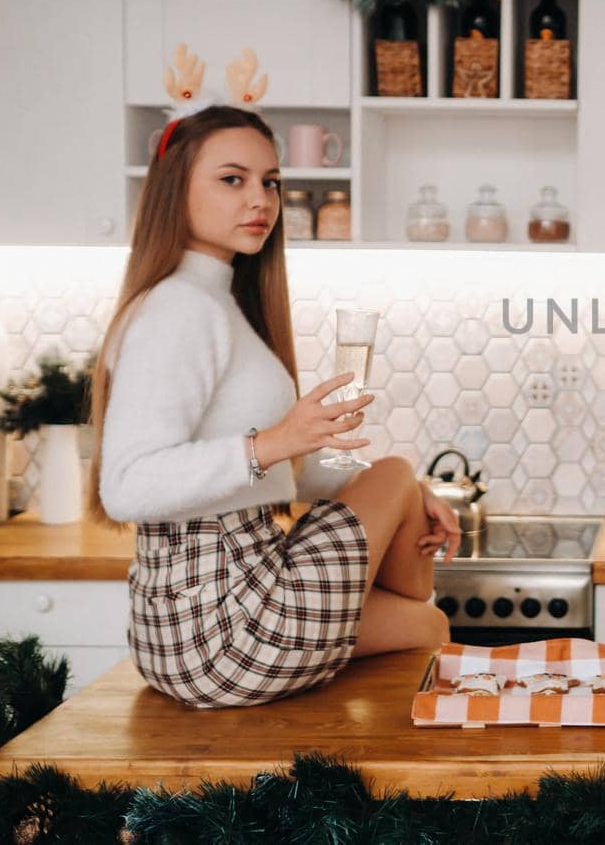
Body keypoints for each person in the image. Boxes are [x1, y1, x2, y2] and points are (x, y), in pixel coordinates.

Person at [87, 104, 460, 708]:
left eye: (270, 182)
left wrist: (409, 502)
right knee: (395, 473)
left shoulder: (217, 303)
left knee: (428, 626)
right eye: (232, 179)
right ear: (175, 188)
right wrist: (279, 443)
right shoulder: (178, 308)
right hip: (223, 621)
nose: (259, 198)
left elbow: (281, 474)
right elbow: (126, 487)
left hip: (187, 637)